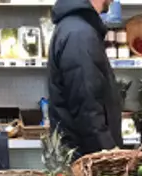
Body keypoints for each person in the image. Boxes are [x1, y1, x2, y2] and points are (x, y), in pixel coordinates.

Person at [48, 0, 123, 156]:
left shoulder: (76, 28)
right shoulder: (80, 34)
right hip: (86, 160)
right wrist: (109, 153)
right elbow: (87, 107)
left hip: (81, 154)